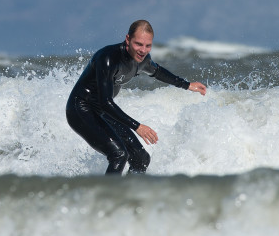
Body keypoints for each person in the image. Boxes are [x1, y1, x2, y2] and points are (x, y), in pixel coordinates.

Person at [65, 19, 207, 175]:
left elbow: (158, 72)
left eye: (148, 46)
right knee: (119, 155)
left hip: (103, 111)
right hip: (81, 109)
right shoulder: (107, 58)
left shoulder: (143, 60)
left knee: (141, 158)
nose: (143, 50)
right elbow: (105, 102)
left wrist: (186, 85)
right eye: (138, 44)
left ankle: (128, 195)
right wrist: (137, 126)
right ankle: (106, 197)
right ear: (127, 39)